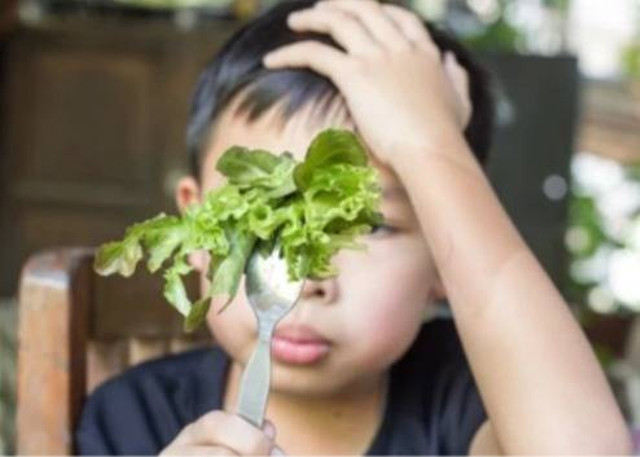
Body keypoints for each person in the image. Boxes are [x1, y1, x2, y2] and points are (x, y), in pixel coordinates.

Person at [74, 0, 632, 455]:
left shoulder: (472, 400)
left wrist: (428, 142)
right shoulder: (134, 418)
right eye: (258, 214)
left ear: (445, 252)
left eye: (370, 227)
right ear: (196, 228)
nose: (307, 279)